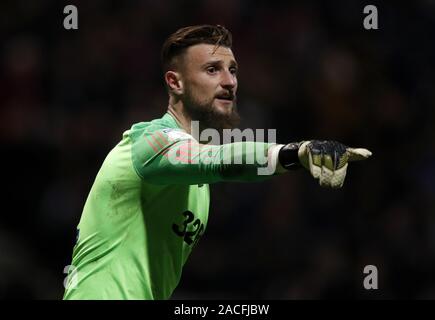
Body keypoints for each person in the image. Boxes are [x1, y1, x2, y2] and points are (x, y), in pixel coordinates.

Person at [63, 25, 371, 300]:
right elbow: (221, 160)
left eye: (233, 70)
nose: (229, 82)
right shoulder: (148, 141)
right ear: (175, 82)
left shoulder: (199, 186)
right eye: (212, 70)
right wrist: (295, 153)